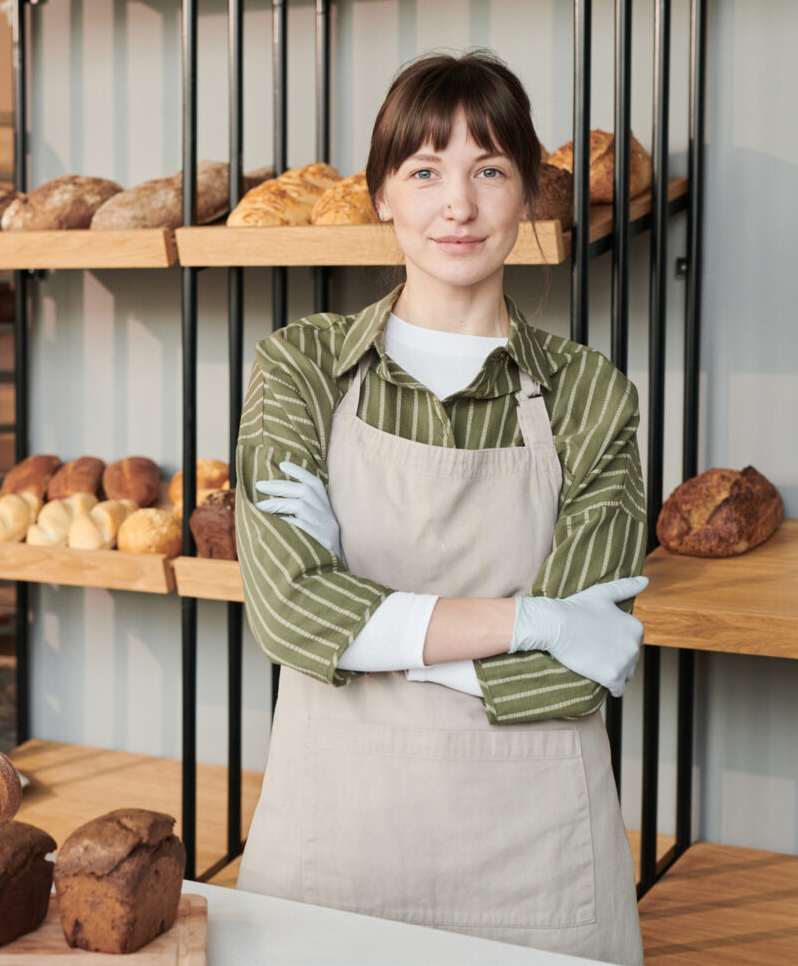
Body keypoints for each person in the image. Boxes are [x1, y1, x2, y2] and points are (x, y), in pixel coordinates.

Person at [234, 51, 648, 964]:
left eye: (489, 170)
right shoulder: (301, 368)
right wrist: (536, 620)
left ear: (528, 194)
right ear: (381, 192)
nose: (457, 205)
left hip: (539, 871)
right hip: (331, 857)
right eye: (424, 171)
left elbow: (585, 668)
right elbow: (290, 611)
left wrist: (368, 624)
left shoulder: (590, 395)